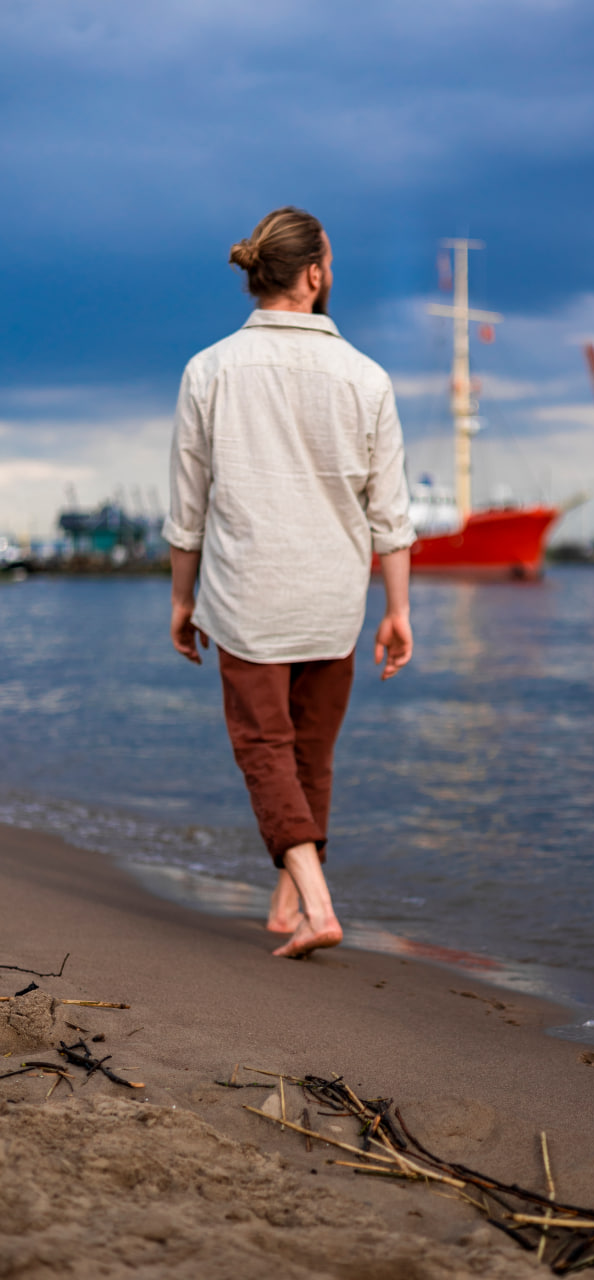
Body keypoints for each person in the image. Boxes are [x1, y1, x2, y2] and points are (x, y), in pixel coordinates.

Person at [163, 206, 415, 959]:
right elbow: (390, 515)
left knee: (265, 748)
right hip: (334, 599)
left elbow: (187, 509)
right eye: (328, 261)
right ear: (313, 274)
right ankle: (289, 904)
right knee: (311, 753)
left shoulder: (208, 370)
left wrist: (182, 598)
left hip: (248, 595)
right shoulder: (367, 377)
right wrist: (398, 609)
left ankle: (313, 902)